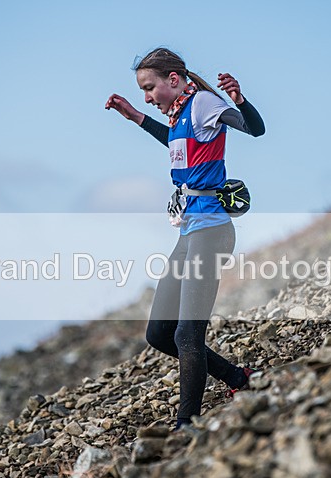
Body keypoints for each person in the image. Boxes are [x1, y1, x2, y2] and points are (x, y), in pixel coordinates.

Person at [105, 47, 265, 431]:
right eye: (143, 91)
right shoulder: (180, 114)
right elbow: (176, 143)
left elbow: (254, 129)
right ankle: (238, 379)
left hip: (211, 231)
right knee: (160, 333)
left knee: (187, 332)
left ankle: (185, 422)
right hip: (190, 230)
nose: (147, 96)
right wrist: (136, 117)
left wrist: (240, 101)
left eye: (150, 88)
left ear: (173, 80)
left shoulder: (205, 103)